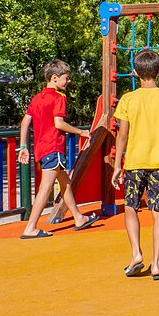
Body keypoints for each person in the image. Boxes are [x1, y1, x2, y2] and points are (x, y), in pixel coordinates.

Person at [110, 49, 159, 280]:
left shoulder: (128, 99)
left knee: (130, 207)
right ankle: (156, 264)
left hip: (134, 163)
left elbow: (122, 135)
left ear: (135, 72)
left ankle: (136, 253)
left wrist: (117, 165)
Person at [17, 60, 99, 237]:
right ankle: (31, 227)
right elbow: (59, 123)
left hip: (41, 148)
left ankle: (78, 217)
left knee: (65, 182)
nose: (68, 81)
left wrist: (23, 146)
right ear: (54, 78)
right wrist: (81, 132)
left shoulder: (37, 98)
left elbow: (24, 123)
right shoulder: (59, 97)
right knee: (45, 188)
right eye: (66, 78)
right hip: (53, 146)